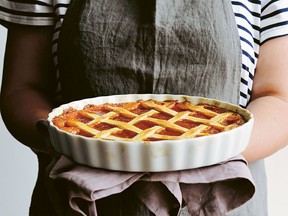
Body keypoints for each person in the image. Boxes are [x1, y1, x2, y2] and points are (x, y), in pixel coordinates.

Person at [0, 0, 288, 215]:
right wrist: (68, 140)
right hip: (80, 201)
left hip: (219, 197)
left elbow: (279, 98)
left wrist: (208, 150)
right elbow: (23, 88)